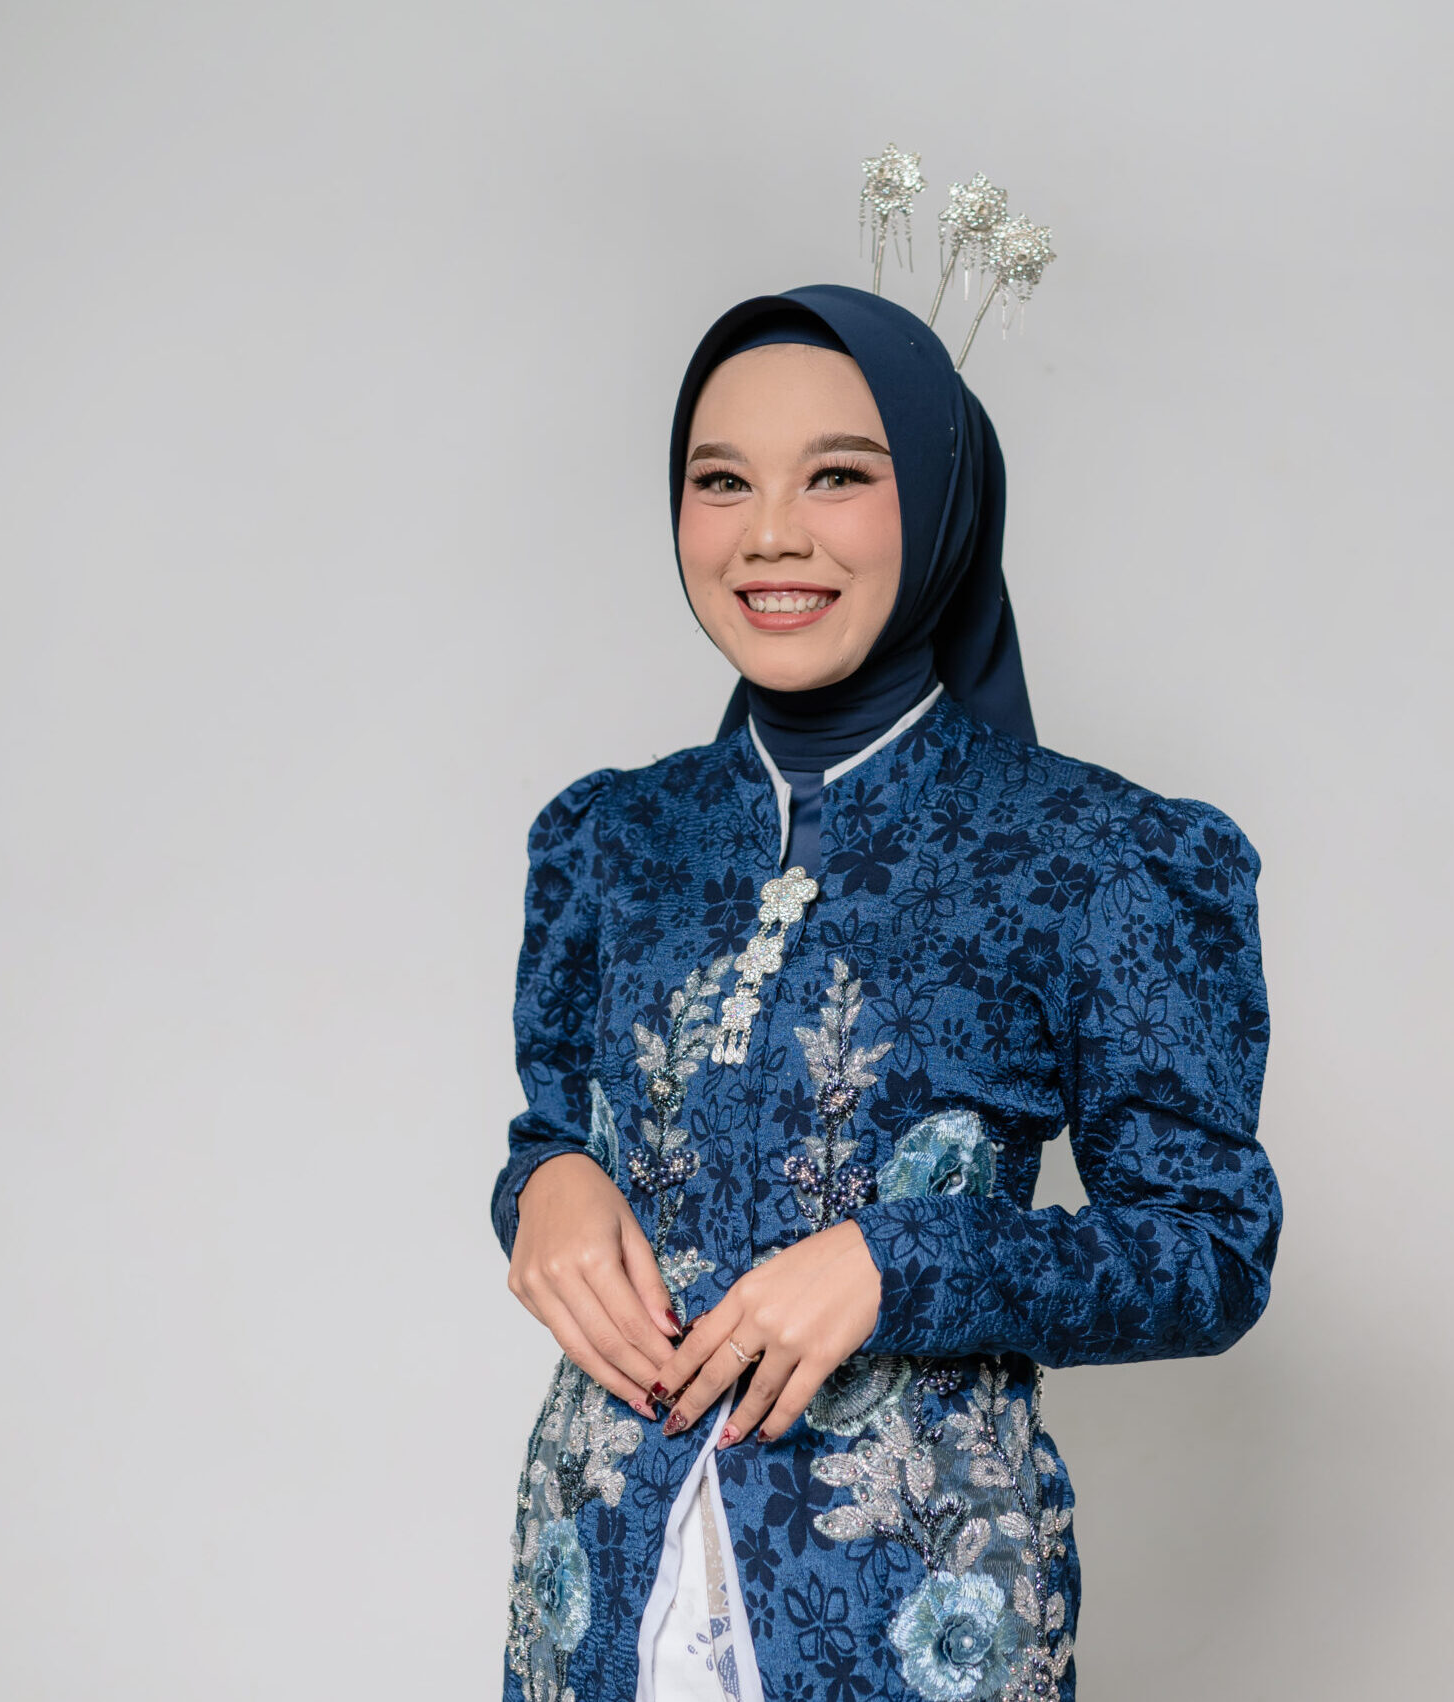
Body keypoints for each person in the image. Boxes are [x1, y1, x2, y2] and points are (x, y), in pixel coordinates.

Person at [493, 284, 1280, 1702]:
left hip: (911, 1611)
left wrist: (898, 1262)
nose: (769, 535)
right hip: (598, 1578)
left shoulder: (1095, 854)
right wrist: (541, 1182)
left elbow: (1209, 1251)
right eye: (721, 481)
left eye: (838, 477)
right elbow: (561, 1131)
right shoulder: (611, 840)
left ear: (940, 506)